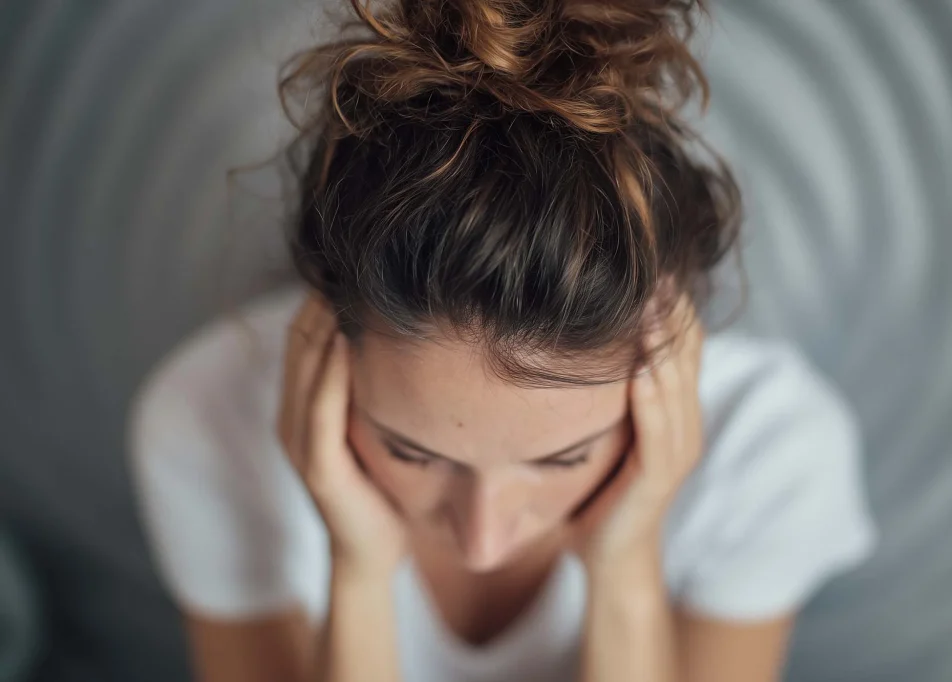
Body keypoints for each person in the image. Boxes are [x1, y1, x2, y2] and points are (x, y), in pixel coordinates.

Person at [128, 1, 878, 681]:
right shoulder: (209, 422)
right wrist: (357, 568)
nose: (483, 538)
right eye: (410, 451)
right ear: (328, 337)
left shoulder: (769, 453)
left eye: (566, 459)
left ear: (666, 354)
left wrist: (624, 564)